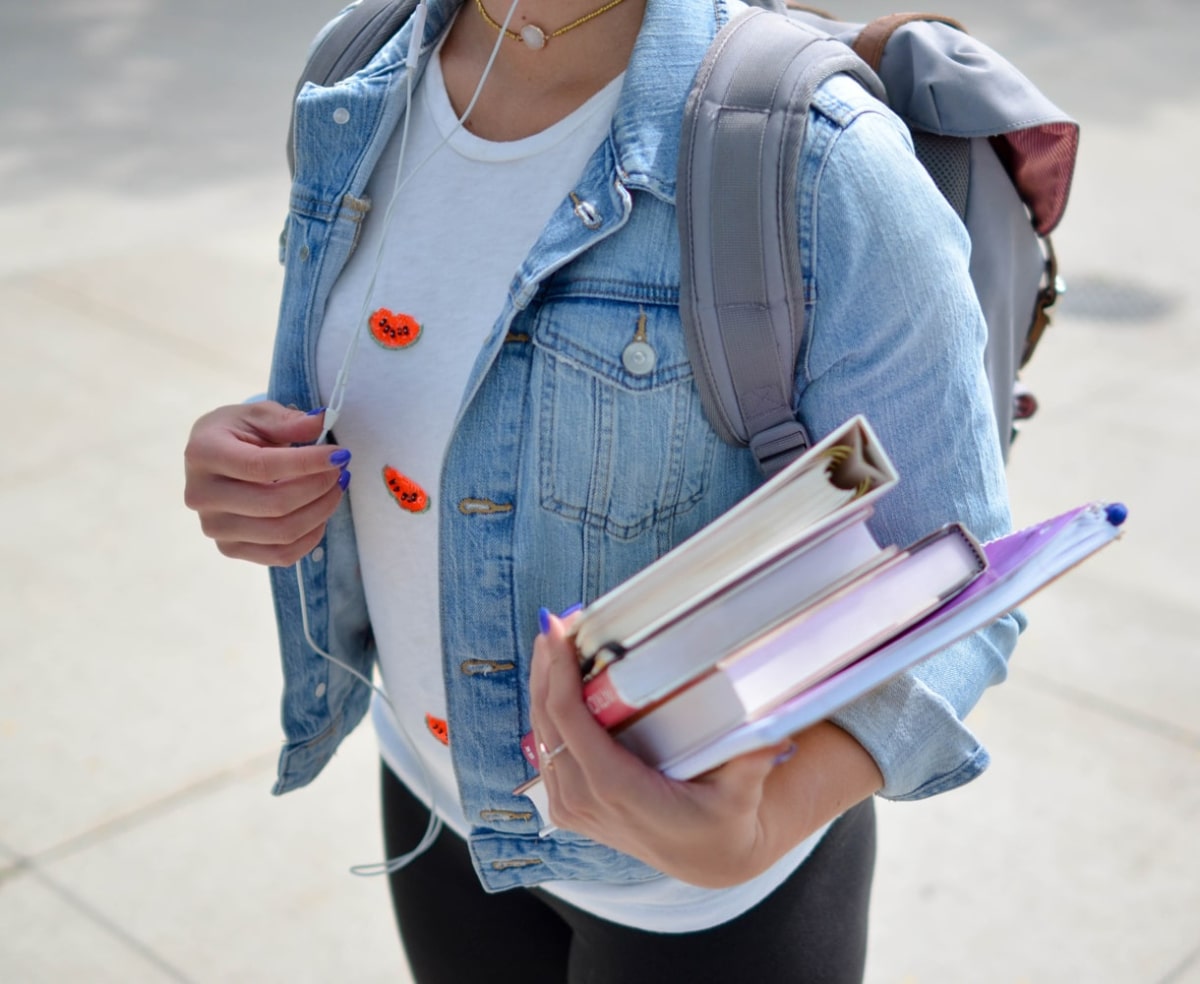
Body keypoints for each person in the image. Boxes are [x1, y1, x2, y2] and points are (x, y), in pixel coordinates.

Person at [183, 0, 1022, 979]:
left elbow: (956, 580)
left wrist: (760, 827)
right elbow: (412, 376)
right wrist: (254, 455)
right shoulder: (357, 71)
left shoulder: (821, 160)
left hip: (705, 901)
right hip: (434, 799)